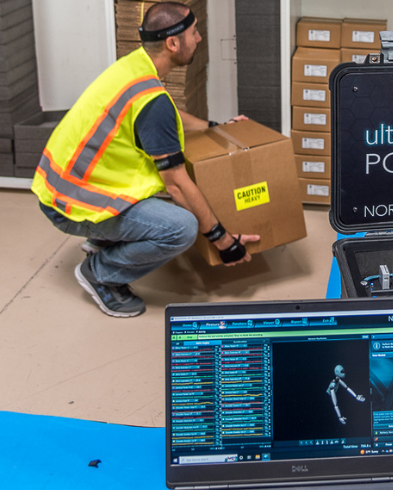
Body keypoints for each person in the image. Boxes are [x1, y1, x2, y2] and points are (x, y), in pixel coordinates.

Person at [31, 2, 260, 318]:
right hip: (73, 204)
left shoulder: (134, 67)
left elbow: (168, 117)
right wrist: (222, 241)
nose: (199, 39)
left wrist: (215, 127)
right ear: (172, 43)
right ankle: (100, 273)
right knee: (181, 227)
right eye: (194, 33)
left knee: (153, 182)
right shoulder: (151, 101)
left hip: (59, 187)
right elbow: (178, 185)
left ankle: (103, 239)